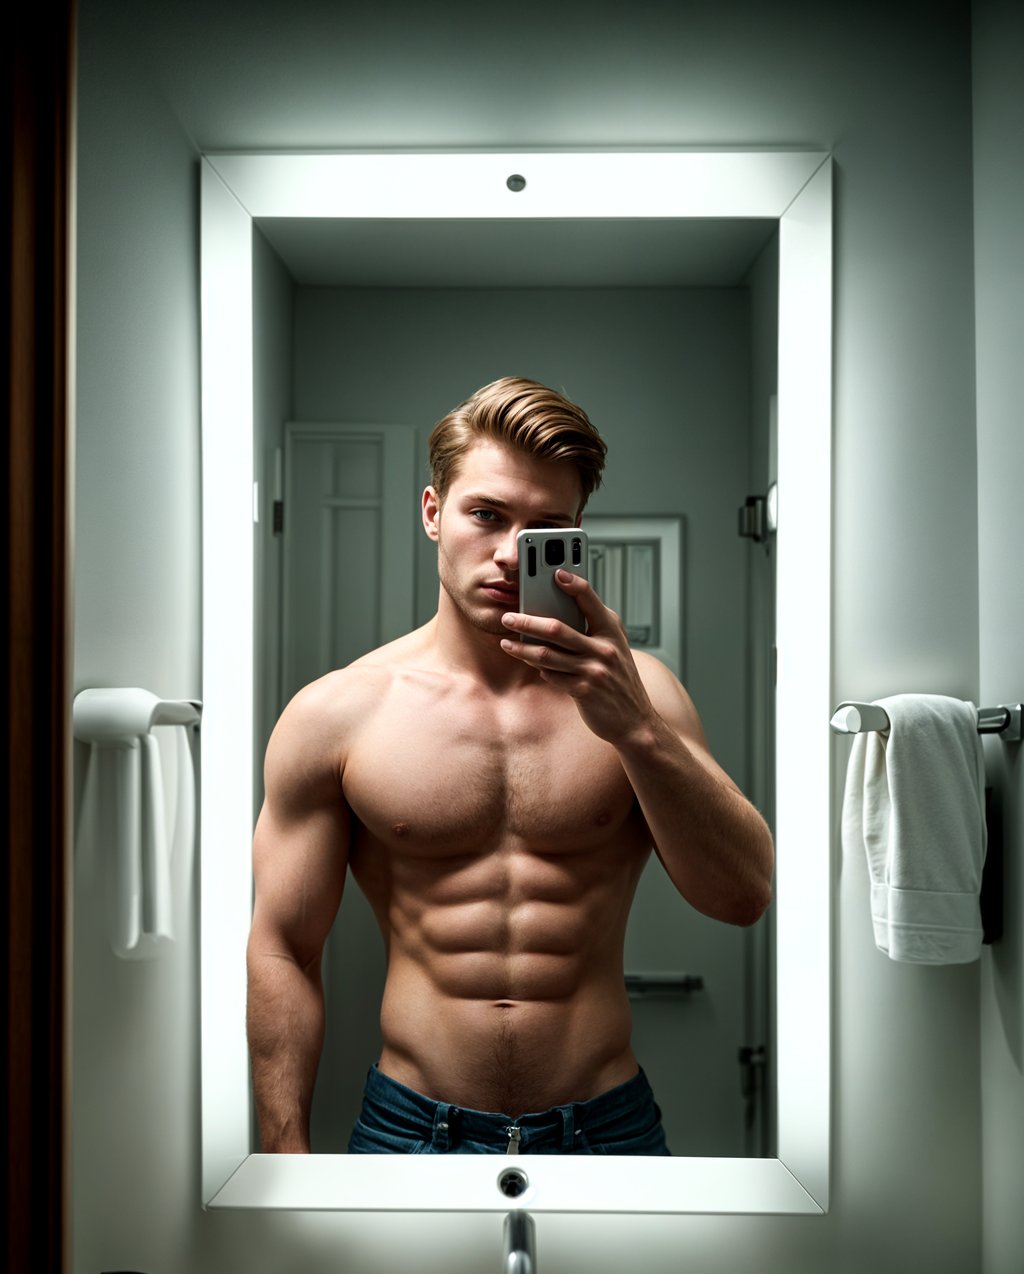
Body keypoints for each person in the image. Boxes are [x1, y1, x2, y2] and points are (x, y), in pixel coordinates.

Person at [246, 377, 773, 1156]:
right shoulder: (338, 714)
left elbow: (743, 896)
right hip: (410, 1128)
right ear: (433, 513)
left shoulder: (645, 694)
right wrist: (283, 1153)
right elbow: (282, 947)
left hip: (607, 1125)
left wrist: (634, 729)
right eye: (486, 515)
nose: (505, 554)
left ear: (576, 534)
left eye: (545, 528)